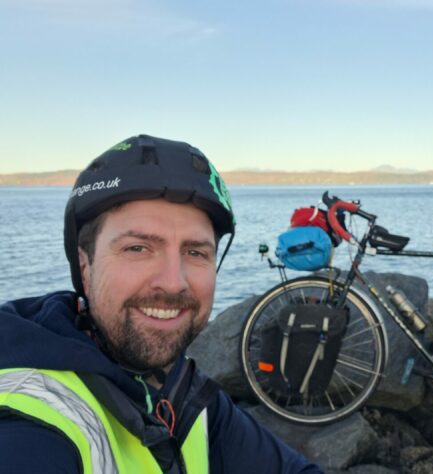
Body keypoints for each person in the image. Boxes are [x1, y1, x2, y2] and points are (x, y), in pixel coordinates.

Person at [0, 135, 322, 473]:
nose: (173, 282)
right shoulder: (29, 423)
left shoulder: (180, 386)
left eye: (195, 252)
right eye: (137, 248)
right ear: (85, 264)